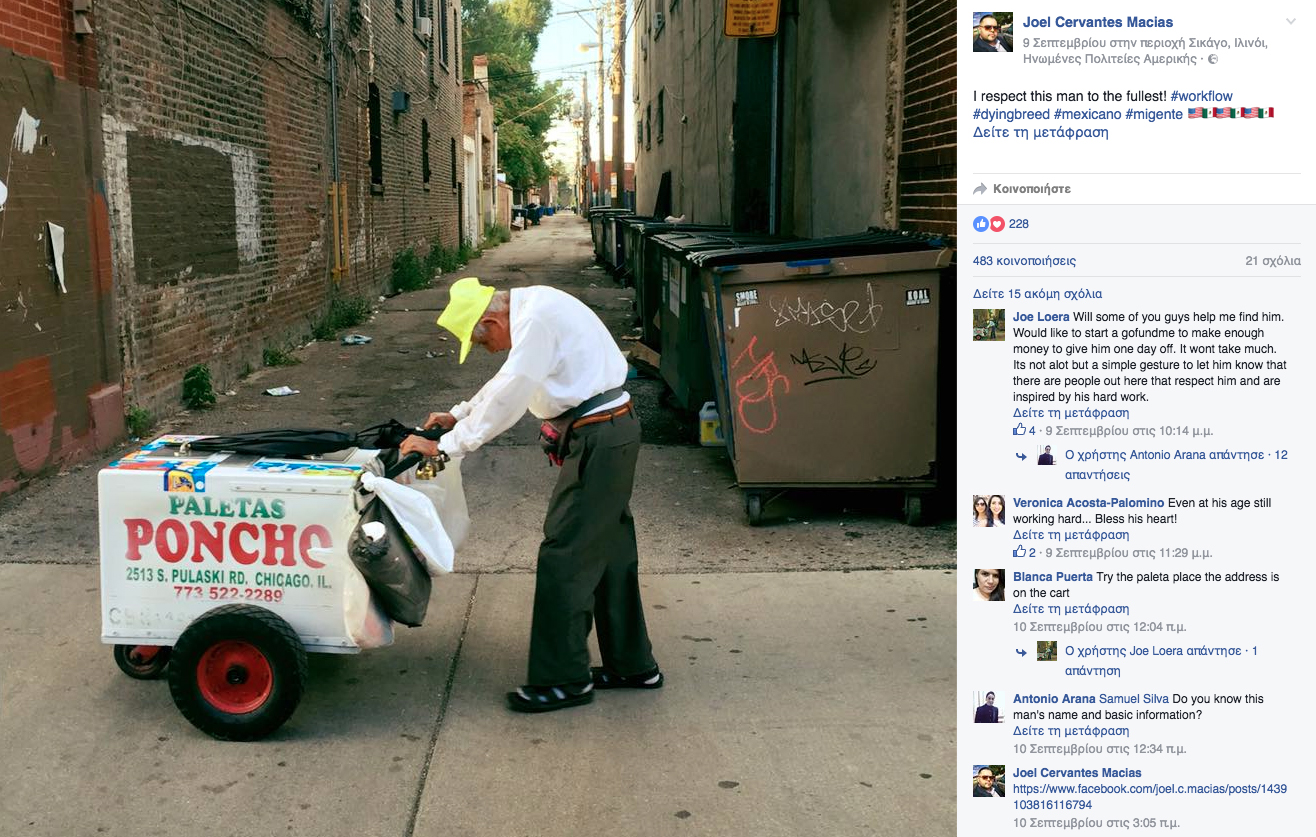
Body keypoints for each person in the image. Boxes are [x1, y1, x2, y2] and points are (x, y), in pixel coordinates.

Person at [400, 277, 661, 713]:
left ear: (492, 321)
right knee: (611, 553)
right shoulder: (533, 308)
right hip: (610, 431)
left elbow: (511, 394)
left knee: (565, 553)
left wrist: (445, 446)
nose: (489, 350)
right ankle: (633, 666)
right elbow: (507, 380)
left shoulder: (535, 320)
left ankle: (563, 680)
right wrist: (460, 414)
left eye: (482, 342)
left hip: (599, 437)